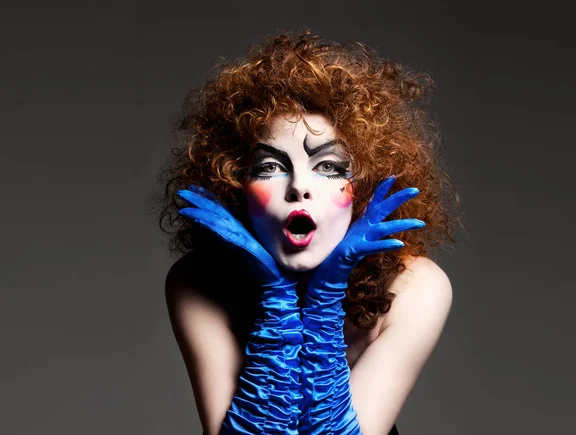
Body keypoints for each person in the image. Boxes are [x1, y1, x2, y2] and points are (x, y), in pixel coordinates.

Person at [155, 30, 462, 435]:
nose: (299, 186)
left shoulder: (417, 286)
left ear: (365, 187)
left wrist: (324, 299)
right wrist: (278, 300)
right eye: (269, 167)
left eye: (329, 167)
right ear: (235, 185)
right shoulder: (196, 282)